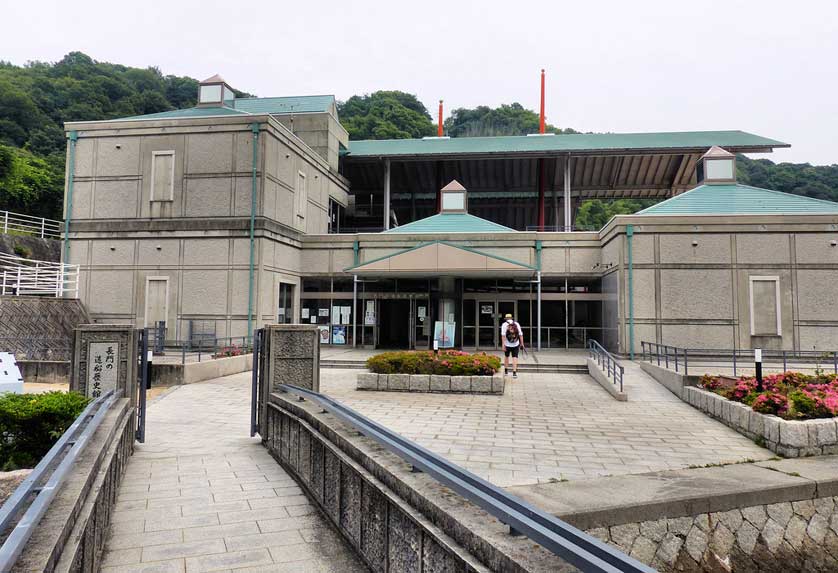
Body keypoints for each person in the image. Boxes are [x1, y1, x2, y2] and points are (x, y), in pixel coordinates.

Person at [500, 313, 524, 378]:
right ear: (511, 318)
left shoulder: (504, 324)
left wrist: (503, 345)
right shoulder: (517, 324)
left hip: (507, 344)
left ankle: (506, 371)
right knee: (515, 357)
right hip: (516, 344)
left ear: (506, 318)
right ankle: (514, 373)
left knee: (506, 356)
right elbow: (520, 334)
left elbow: (503, 335)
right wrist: (522, 344)